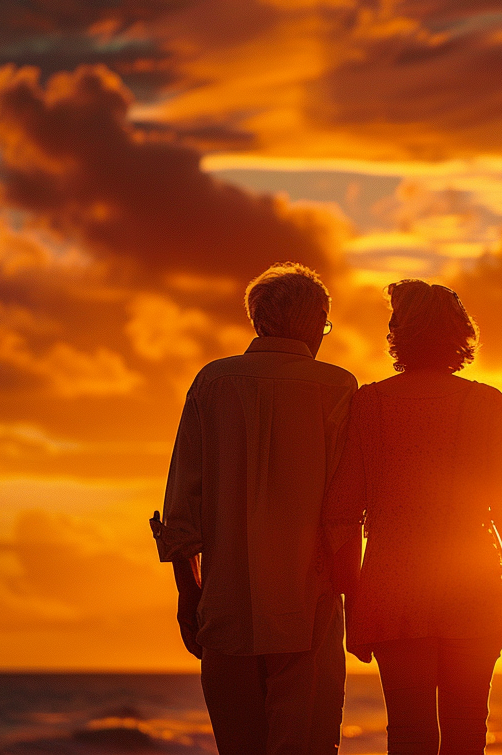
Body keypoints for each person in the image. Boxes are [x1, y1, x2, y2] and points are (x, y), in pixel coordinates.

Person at [324, 279, 502, 755]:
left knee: (409, 736)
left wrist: (353, 606)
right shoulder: (485, 403)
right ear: (457, 333)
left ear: (399, 333)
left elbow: (342, 516)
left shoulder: (370, 404)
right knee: (467, 734)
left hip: (393, 589)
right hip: (475, 586)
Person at [151, 262, 357, 755]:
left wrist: (188, 594)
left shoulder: (213, 383)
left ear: (258, 321)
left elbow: (182, 505)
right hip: (311, 604)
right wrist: (357, 595)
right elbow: (343, 510)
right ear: (318, 320)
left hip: (226, 602)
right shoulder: (336, 388)